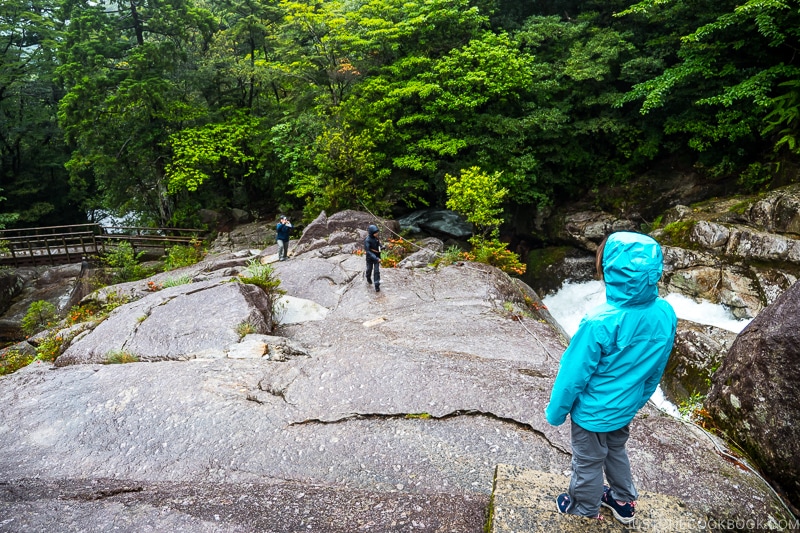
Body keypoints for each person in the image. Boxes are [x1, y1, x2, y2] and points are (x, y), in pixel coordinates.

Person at [545, 231, 677, 524]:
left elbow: (572, 376)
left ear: (610, 271)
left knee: (588, 462)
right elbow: (658, 365)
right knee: (616, 449)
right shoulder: (666, 312)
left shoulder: (598, 322)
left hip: (592, 413)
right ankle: (622, 500)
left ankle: (582, 508)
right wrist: (639, 398)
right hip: (627, 405)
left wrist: (556, 412)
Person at [364, 224, 381, 292]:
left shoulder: (376, 238)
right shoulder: (367, 240)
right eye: (375, 232)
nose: (377, 233)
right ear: (371, 233)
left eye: (377, 232)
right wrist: (376, 258)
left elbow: (378, 244)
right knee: (369, 269)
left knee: (376, 271)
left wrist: (381, 247)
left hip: (376, 256)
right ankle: (368, 277)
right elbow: (368, 251)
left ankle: (377, 285)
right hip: (370, 258)